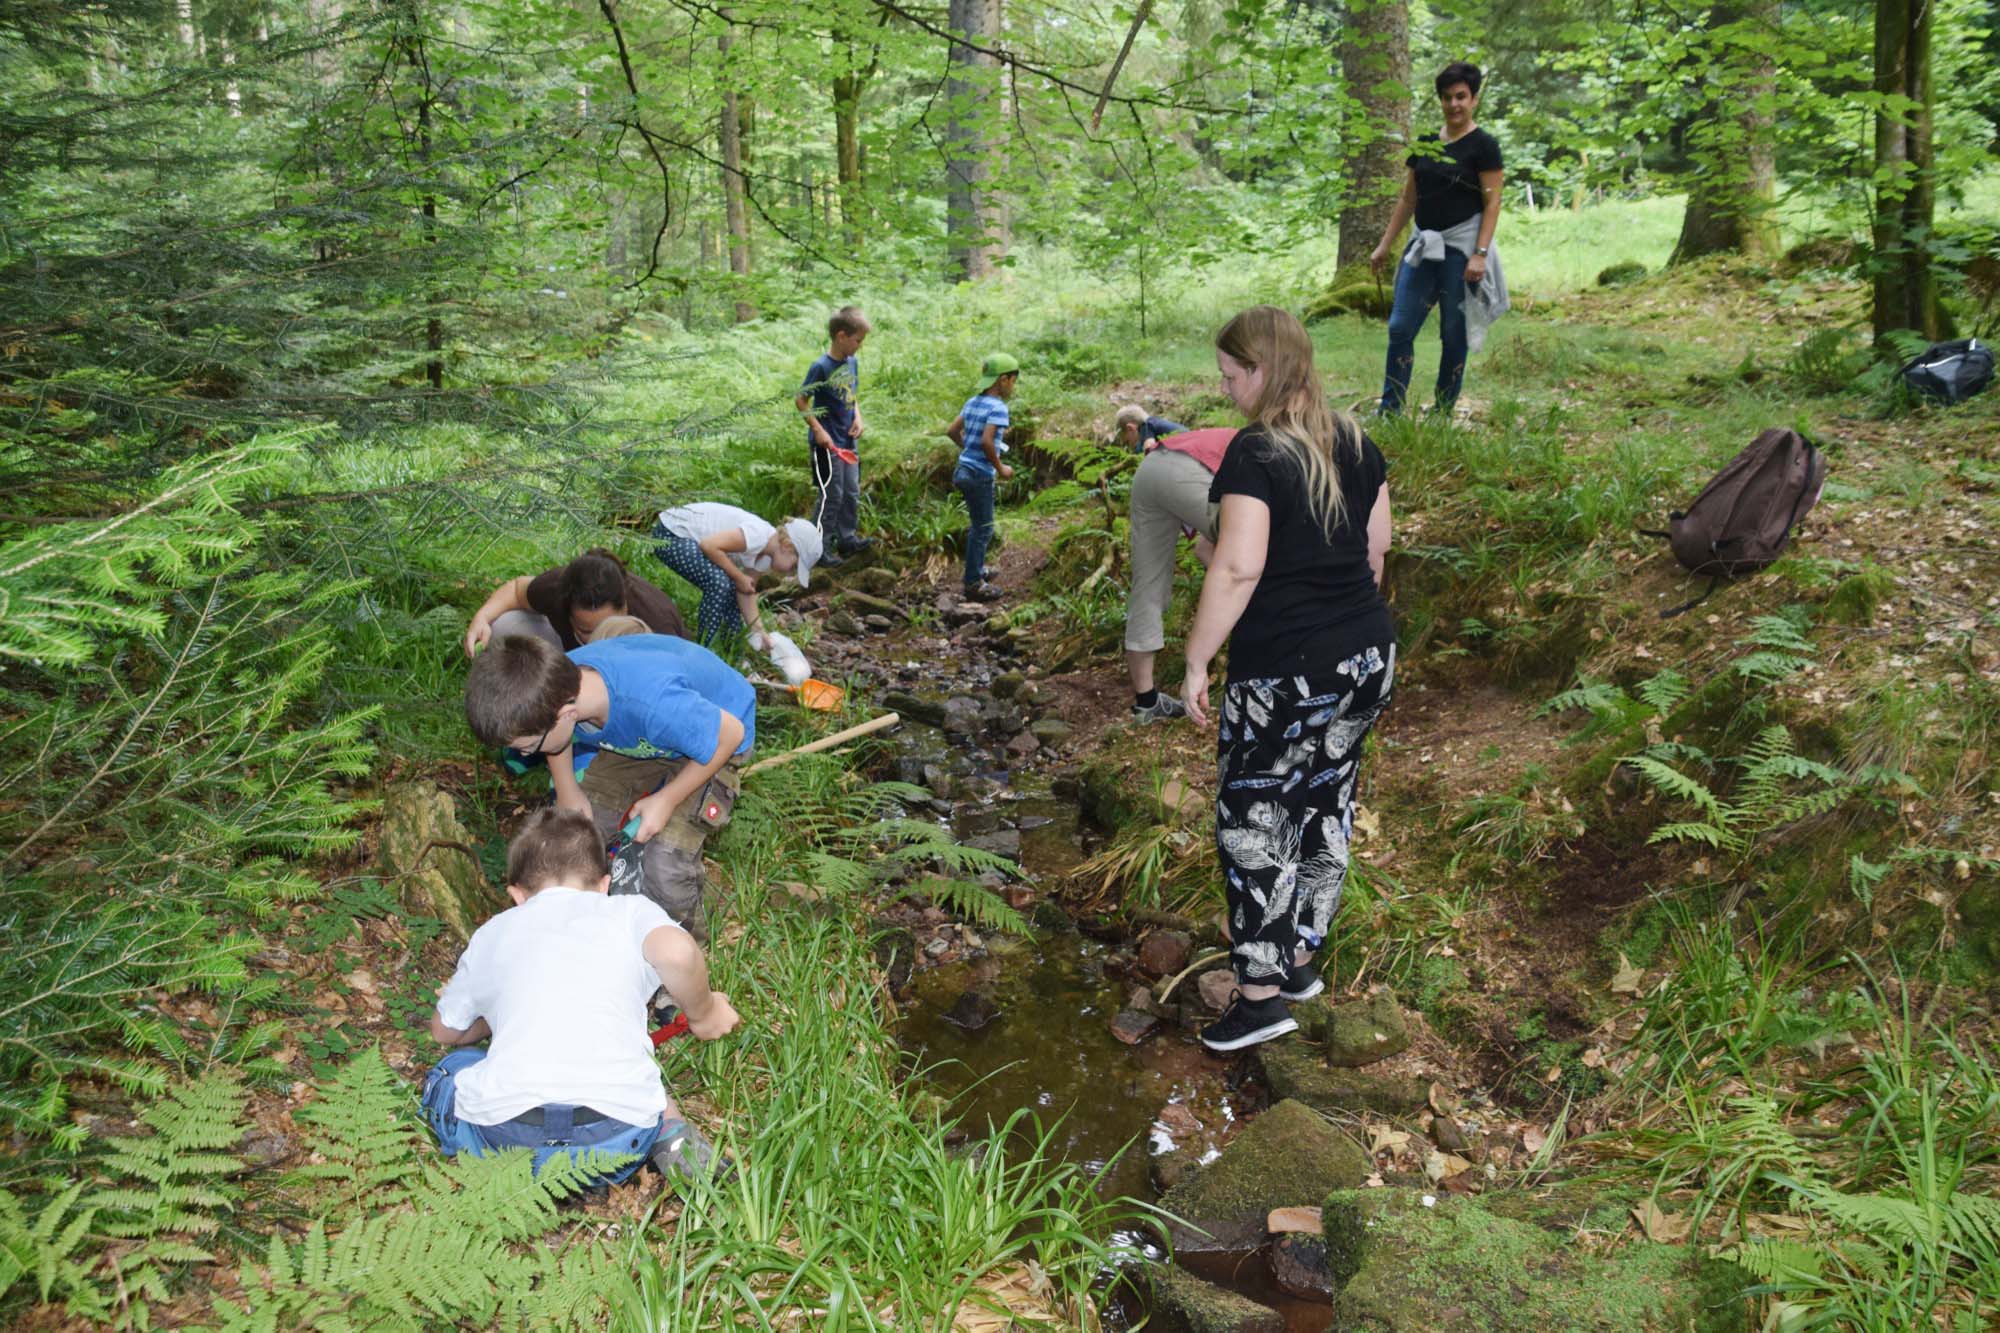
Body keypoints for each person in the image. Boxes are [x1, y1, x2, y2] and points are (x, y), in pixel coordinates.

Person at [1182, 306, 1395, 1052]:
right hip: (1366, 656)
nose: (1225, 388)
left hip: (1286, 669)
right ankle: (1299, 957)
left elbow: (1239, 567)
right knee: (1324, 802)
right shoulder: (1357, 441)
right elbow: (1375, 550)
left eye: (1230, 375)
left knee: (1255, 819)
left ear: (1263, 370)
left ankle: (1260, 996)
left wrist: (1197, 659)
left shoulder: (1258, 450)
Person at [423, 807, 738, 1190]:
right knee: (634, 1073)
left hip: (509, 1141)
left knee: (453, 1068)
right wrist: (704, 1014)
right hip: (616, 1140)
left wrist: (491, 1011)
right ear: (605, 884)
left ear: (517, 895)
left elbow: (445, 1031)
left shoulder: (492, 932)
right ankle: (670, 1132)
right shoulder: (629, 911)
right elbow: (677, 953)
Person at [465, 631, 756, 944]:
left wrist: (667, 799)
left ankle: (685, 946)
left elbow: (730, 734)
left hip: (716, 740)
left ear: (567, 715)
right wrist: (567, 788)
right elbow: (556, 738)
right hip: (642, 738)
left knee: (663, 860)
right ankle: (595, 925)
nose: (525, 756)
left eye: (528, 747)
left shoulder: (652, 701)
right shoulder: (552, 686)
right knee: (580, 834)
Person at [1369, 61, 1506, 417]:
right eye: (1447, 97)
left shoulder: (1484, 146)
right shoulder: (1426, 144)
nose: (1454, 104)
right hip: (1423, 248)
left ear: (1474, 99)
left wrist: (1480, 253)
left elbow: (1492, 203)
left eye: (1461, 96)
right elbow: (1408, 200)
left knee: (1453, 334)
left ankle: (1443, 412)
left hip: (1462, 251)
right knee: (1400, 327)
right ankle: (1390, 410)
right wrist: (1384, 245)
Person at [1123, 426, 1236, 723]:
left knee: (1148, 586)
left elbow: (1204, 550)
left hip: (1151, 468)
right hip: (1187, 471)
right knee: (1255, 544)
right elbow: (1229, 551)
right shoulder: (1277, 451)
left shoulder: (1237, 437)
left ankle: (1146, 702)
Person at [651, 502, 823, 648]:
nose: (790, 572)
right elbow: (709, 545)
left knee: (732, 587)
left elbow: (745, 591)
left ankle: (731, 649)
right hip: (670, 533)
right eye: (794, 566)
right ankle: (707, 648)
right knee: (720, 583)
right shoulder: (758, 535)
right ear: (787, 546)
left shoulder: (765, 557)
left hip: (687, 541)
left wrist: (759, 631)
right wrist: (739, 577)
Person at [463, 550, 688, 658]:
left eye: (610, 627)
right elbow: (516, 590)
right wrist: (481, 618)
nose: (600, 639)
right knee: (503, 626)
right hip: (573, 664)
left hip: (638, 679)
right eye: (587, 631)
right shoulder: (558, 588)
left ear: (625, 607)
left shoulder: (658, 624)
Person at [943, 353, 1020, 602]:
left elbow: (952, 430)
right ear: (1003, 380)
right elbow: (987, 441)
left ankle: (976, 569)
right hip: (979, 474)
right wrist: (1001, 468)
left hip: (963, 470)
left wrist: (968, 448)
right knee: (983, 528)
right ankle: (974, 583)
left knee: (978, 525)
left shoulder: (973, 402)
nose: (1013, 386)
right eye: (1013, 381)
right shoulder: (998, 408)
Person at [798, 306, 873, 560]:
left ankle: (847, 539)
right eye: (857, 340)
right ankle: (818, 548)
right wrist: (818, 430)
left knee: (851, 492)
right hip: (826, 444)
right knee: (831, 495)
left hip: (848, 441)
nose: (860, 345)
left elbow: (852, 395)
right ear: (841, 336)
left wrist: (858, 418)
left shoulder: (852, 363)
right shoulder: (820, 367)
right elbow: (800, 401)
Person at [1114, 404, 1189, 453]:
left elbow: (1148, 451)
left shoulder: (1147, 426)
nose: (1129, 446)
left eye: (1127, 442)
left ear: (1130, 428)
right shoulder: (1156, 422)